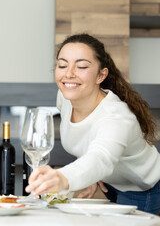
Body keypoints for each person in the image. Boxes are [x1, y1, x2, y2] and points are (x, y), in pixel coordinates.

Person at [25, 33, 160, 214]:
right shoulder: (65, 99)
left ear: (101, 75)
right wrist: (92, 175)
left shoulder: (116, 116)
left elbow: (102, 158)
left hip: (144, 188)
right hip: (111, 182)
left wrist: (62, 177)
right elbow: (94, 145)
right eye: (62, 65)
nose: (69, 73)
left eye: (81, 66)